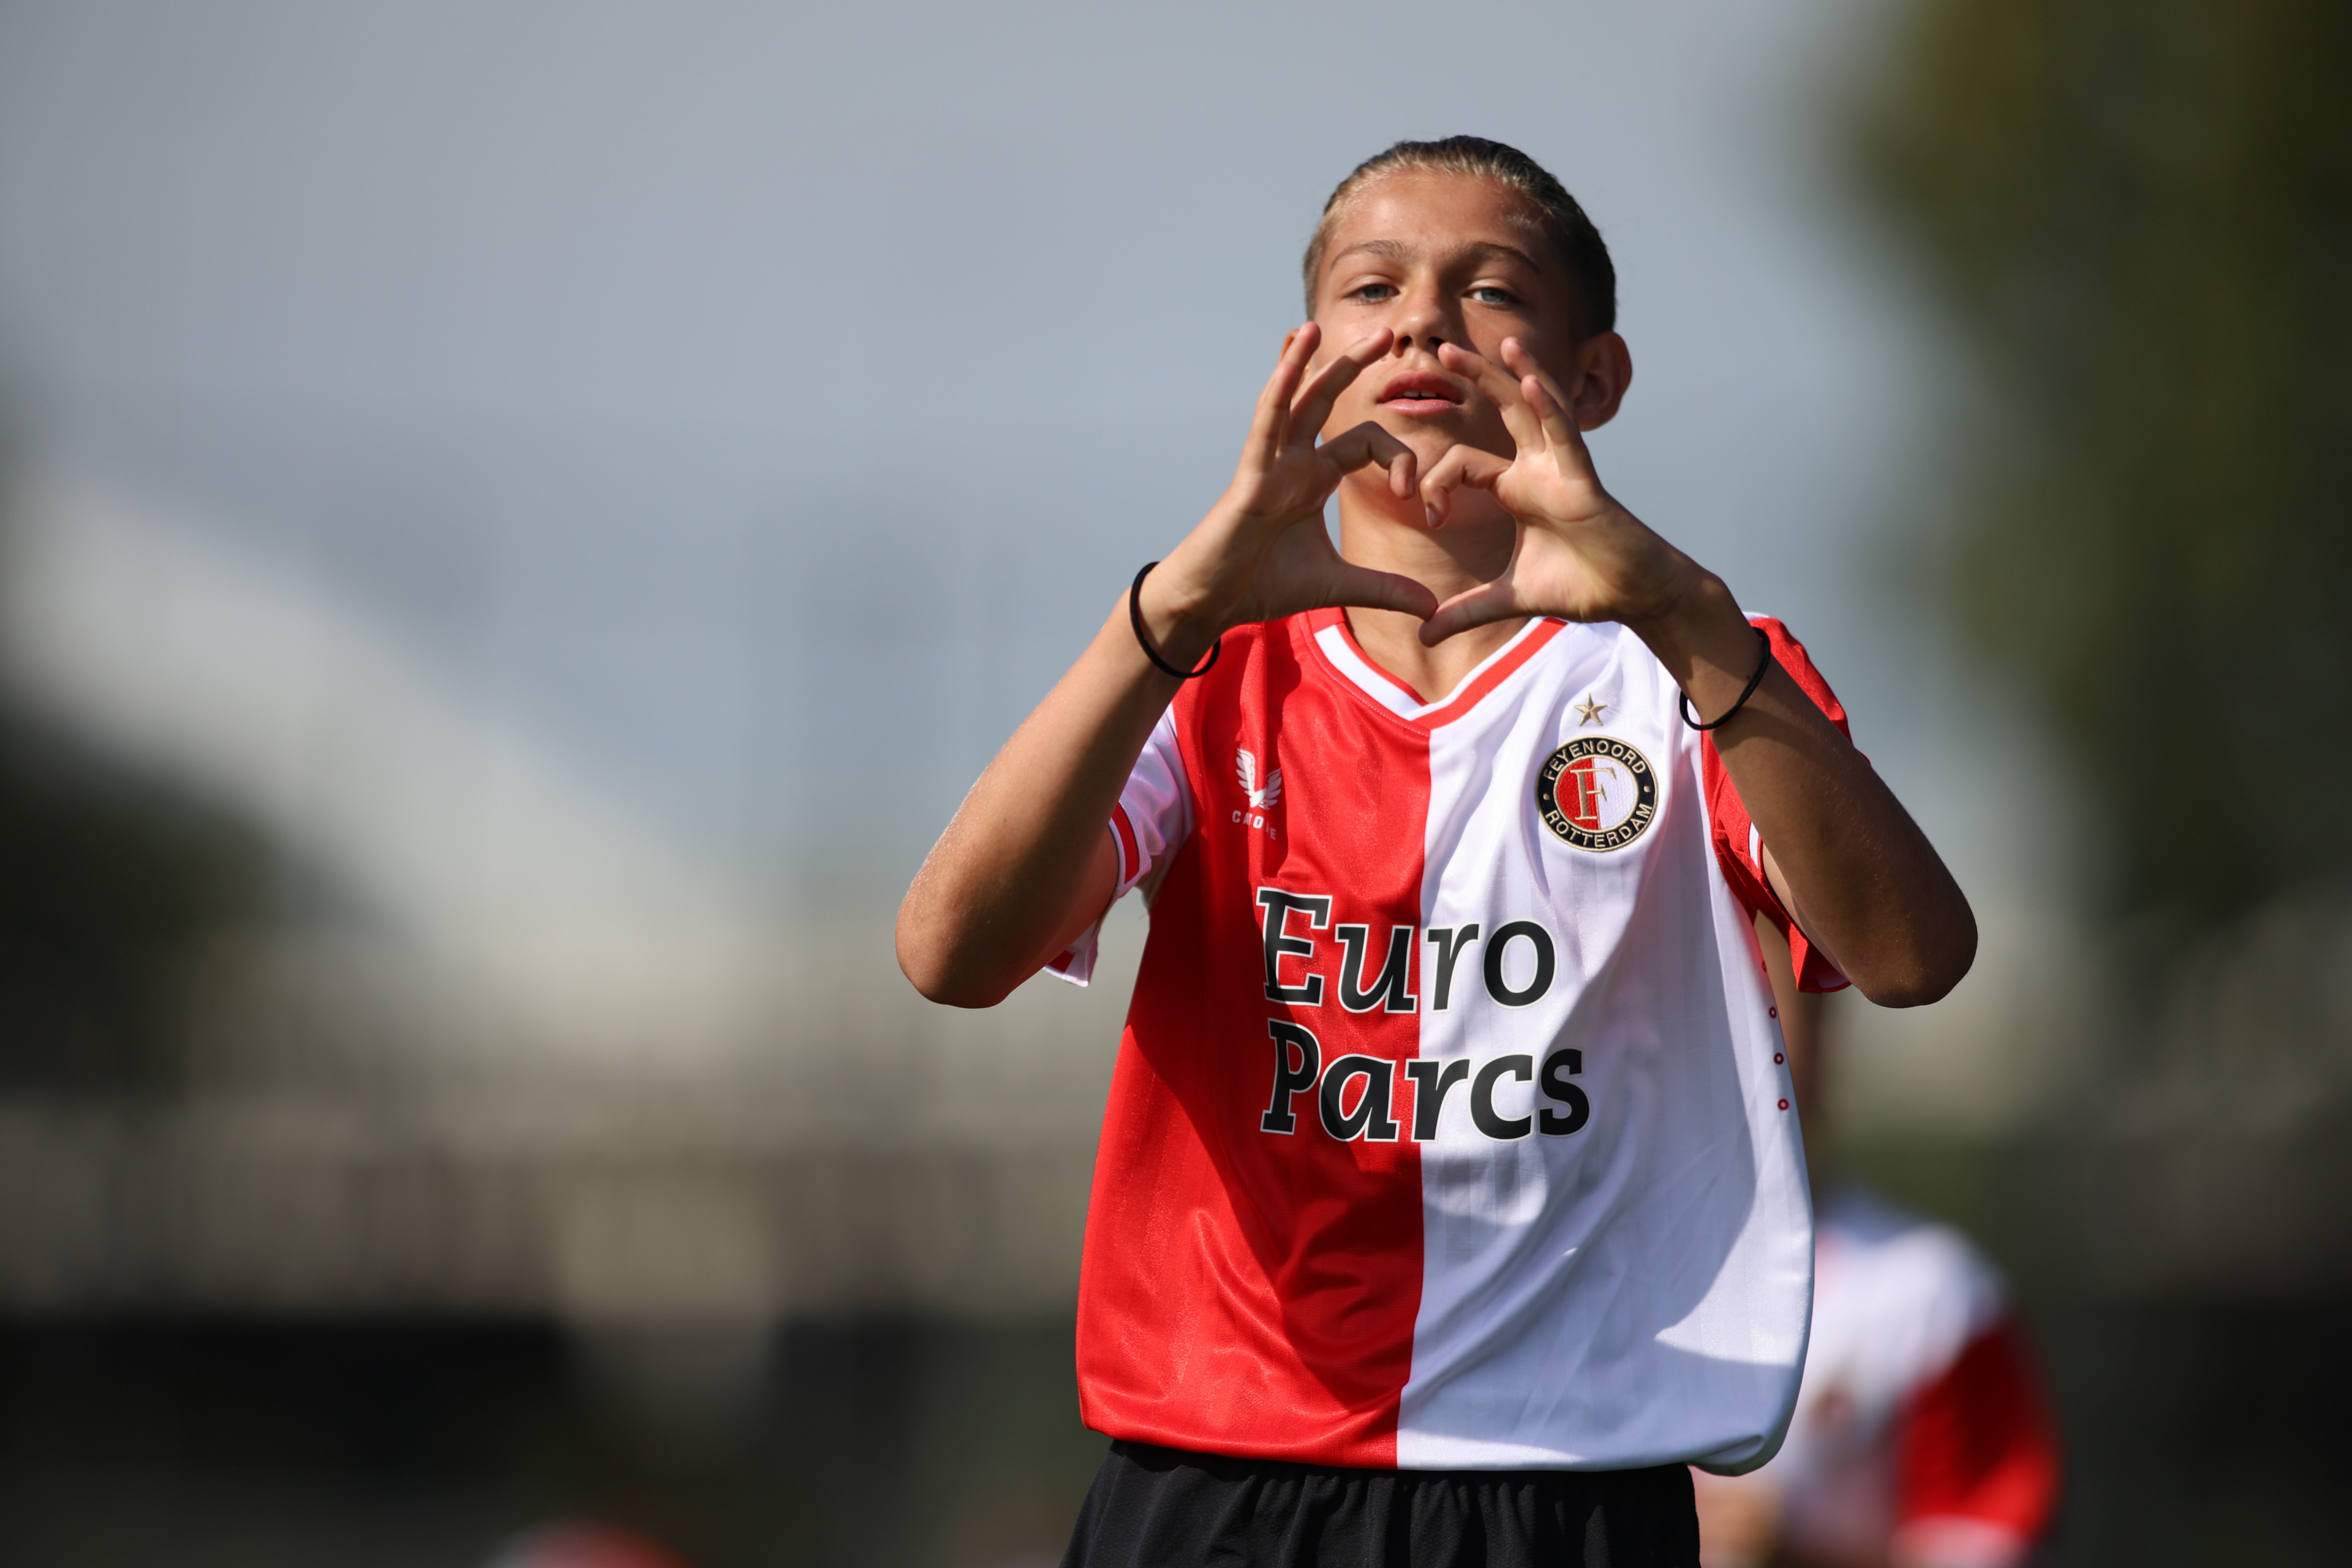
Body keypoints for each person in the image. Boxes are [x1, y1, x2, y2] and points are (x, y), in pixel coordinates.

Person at [896, 136, 1977, 1567]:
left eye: (1486, 289)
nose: (1420, 320)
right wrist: (1163, 614)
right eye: (1371, 286)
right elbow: (947, 953)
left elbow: (1914, 954)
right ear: (1306, 355)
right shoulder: (1201, 673)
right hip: (1220, 1471)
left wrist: (1673, 602)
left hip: (1569, 1475)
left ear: (1591, 381)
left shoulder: (1688, 675)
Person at [1691, 931, 2061, 1568]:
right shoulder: (1590, 1275)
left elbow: (2001, 1542)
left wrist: (1801, 1552)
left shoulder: (1933, 1295)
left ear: (1828, 1040)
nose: (1735, 1043)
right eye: (1705, 1009)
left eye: (1764, 1006)